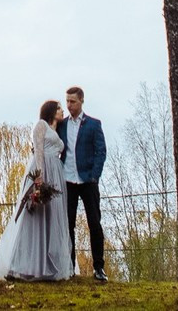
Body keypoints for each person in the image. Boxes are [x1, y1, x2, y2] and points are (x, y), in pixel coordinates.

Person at [0, 100, 74, 281]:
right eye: (59, 108)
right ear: (51, 111)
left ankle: (50, 266)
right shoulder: (41, 125)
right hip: (42, 169)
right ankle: (21, 265)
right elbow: (38, 150)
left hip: (57, 173)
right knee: (33, 218)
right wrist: (39, 176)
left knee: (52, 217)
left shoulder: (57, 132)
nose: (62, 111)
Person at [56, 84, 108, 281]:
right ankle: (69, 266)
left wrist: (95, 175)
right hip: (67, 181)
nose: (69, 105)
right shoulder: (62, 125)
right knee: (68, 224)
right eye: (67, 101)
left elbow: (101, 151)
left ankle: (99, 267)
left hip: (88, 181)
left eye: (73, 101)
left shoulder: (94, 124)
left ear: (81, 101)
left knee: (94, 223)